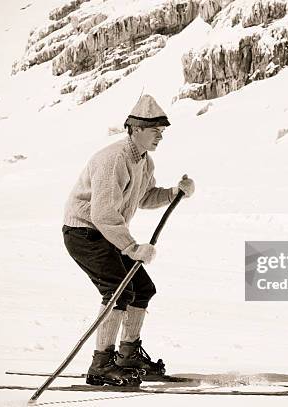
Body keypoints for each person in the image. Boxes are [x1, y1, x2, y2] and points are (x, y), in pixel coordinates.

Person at [62, 94, 195, 386]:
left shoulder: (144, 162)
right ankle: (101, 364)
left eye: (162, 130)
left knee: (142, 288)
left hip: (107, 233)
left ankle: (128, 355)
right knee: (117, 290)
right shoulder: (114, 160)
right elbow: (103, 213)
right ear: (135, 129)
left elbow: (144, 196)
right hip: (84, 232)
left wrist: (174, 193)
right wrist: (132, 248)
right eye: (154, 129)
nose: (160, 134)